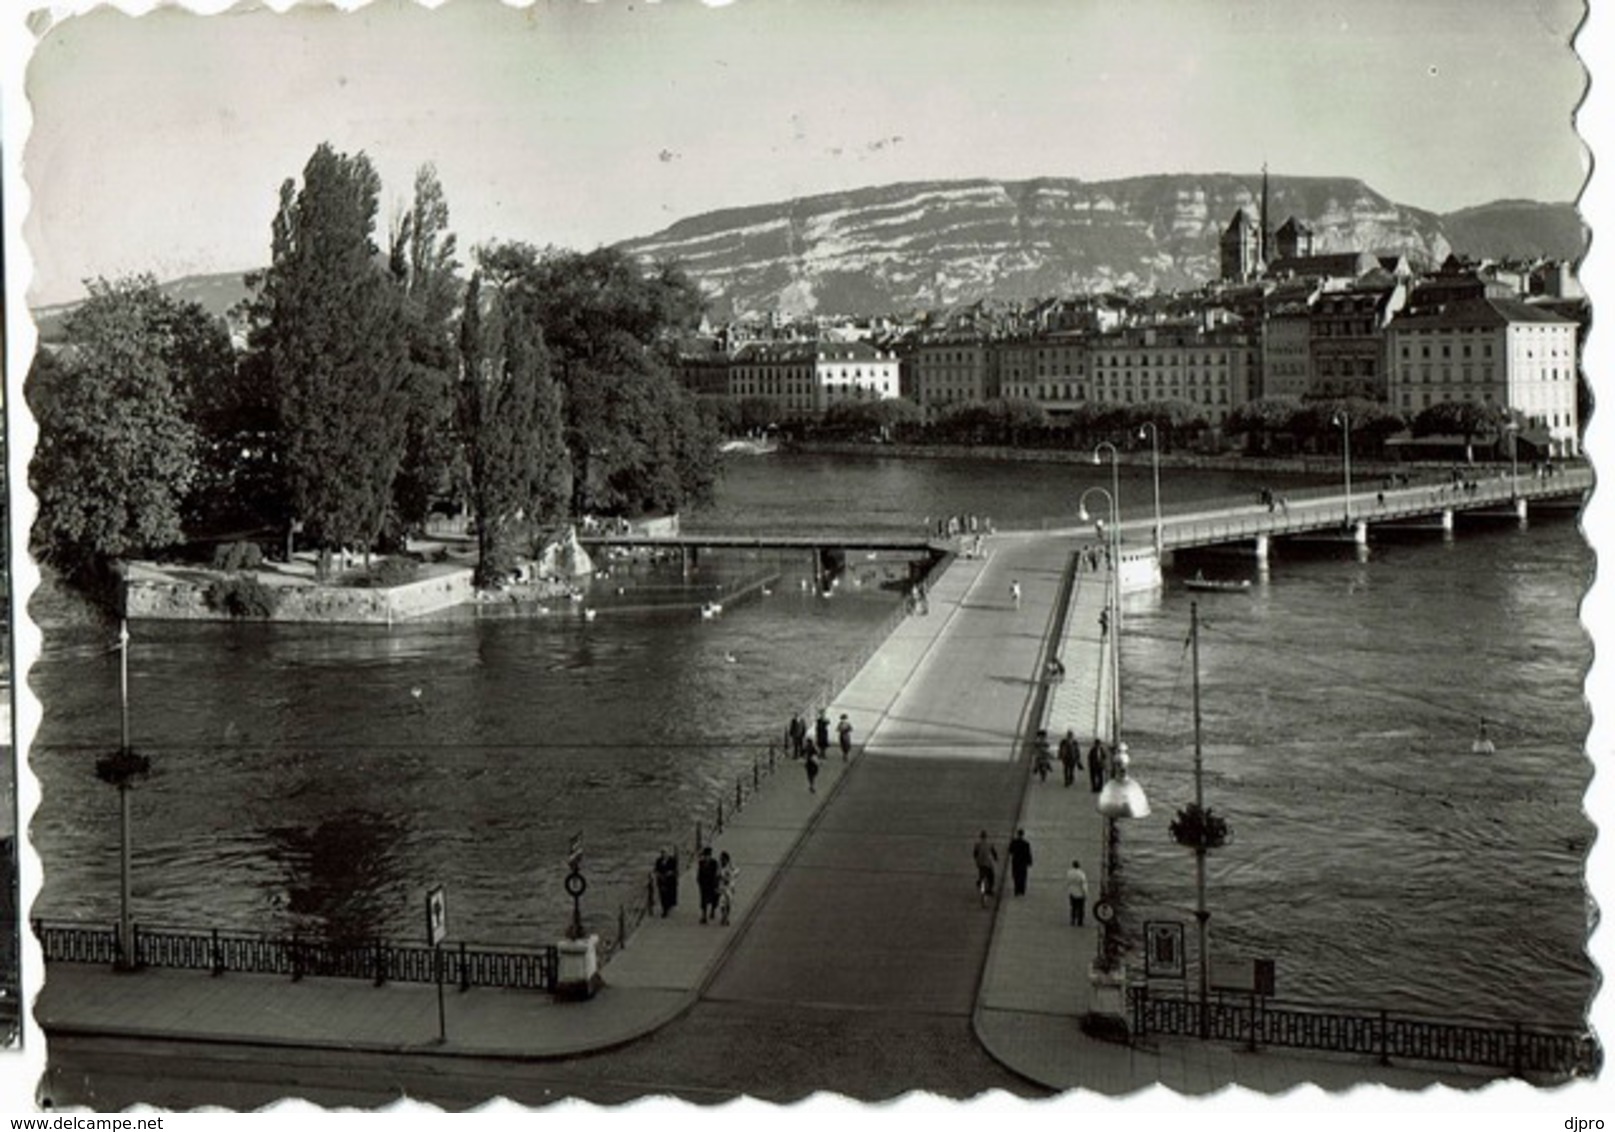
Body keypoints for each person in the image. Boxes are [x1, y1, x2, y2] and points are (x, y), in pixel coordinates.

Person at [696, 845, 720, 925]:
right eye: (705, 856)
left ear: (710, 855)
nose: (706, 857)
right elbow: (699, 873)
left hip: (712, 884)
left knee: (713, 899)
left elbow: (715, 874)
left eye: (708, 856)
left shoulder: (714, 863)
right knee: (703, 900)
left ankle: (712, 911)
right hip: (704, 884)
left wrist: (715, 883)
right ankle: (704, 916)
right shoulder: (701, 863)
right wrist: (699, 880)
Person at [653, 847, 679, 918]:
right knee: (663, 895)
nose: (664, 854)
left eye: (665, 853)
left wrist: (670, 873)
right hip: (662, 880)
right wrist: (658, 874)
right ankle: (664, 909)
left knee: (669, 894)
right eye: (663, 853)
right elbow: (656, 869)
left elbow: (675, 870)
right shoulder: (658, 861)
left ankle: (669, 906)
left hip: (670, 881)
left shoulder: (672, 860)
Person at [973, 830, 998, 899]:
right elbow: (994, 852)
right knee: (991, 877)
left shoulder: (977, 844)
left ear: (980, 836)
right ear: (986, 836)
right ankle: (989, 890)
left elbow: (975, 854)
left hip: (981, 863)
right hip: (988, 863)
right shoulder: (989, 843)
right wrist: (996, 858)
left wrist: (977, 860)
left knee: (982, 875)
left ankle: (981, 886)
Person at [1008, 828, 1033, 896]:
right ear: (1023, 835)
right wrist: (1029, 861)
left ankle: (1016, 889)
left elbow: (1010, 851)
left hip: (1016, 862)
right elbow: (1028, 853)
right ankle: (1021, 890)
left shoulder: (1014, 842)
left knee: (1016, 876)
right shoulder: (1026, 844)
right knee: (1023, 876)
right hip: (1023, 863)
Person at [1066, 859, 1089, 926]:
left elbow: (1068, 882)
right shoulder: (1081, 874)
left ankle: (1072, 920)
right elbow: (1084, 884)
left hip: (1072, 892)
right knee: (1081, 908)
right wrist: (1086, 893)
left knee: (1073, 907)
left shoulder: (1069, 873)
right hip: (1080, 893)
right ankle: (1080, 921)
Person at [718, 851, 738, 926]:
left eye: (722, 859)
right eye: (721, 859)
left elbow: (737, 871)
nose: (721, 860)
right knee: (721, 903)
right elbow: (717, 875)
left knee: (728, 902)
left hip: (729, 887)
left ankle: (726, 917)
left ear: (726, 859)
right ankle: (724, 916)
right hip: (722, 887)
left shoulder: (730, 866)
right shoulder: (719, 866)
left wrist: (731, 875)